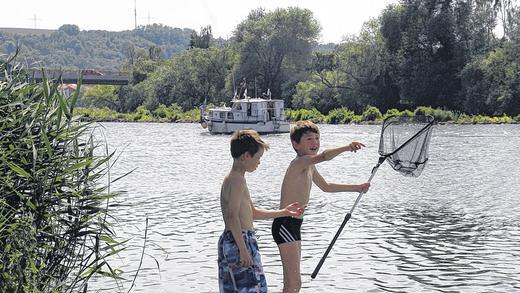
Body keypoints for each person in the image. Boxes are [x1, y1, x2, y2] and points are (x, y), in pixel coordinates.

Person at [271, 120, 370, 293]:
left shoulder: (310, 167)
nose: (315, 142)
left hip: (294, 225)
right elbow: (324, 156)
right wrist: (347, 147)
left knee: (291, 284)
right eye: (309, 139)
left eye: (317, 138)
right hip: (285, 224)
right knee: (295, 284)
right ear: (295, 144)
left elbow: (327, 187)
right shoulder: (299, 163)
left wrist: (356, 187)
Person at [218, 129, 305, 293]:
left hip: (233, 240)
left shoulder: (234, 178)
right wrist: (243, 250)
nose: (259, 163)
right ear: (246, 156)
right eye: (258, 158)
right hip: (240, 241)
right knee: (253, 288)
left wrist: (284, 212)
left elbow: (253, 213)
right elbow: (232, 216)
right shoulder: (237, 180)